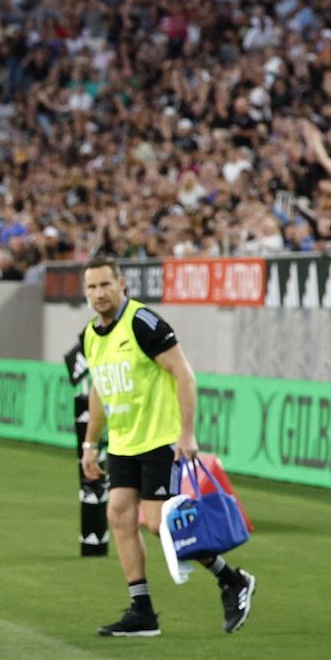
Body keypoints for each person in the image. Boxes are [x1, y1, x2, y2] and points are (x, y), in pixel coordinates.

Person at [78, 253, 255, 637]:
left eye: (105, 284)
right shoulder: (91, 335)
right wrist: (90, 444)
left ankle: (233, 579)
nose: (98, 293)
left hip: (160, 441)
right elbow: (98, 388)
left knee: (162, 526)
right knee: (120, 517)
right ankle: (142, 611)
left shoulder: (143, 323)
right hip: (124, 444)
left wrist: (186, 433)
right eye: (91, 287)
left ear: (122, 284)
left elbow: (184, 375)